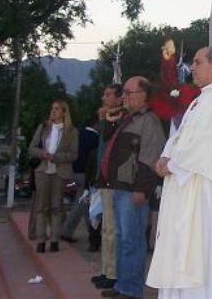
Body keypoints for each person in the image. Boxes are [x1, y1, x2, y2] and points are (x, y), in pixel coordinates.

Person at [146, 46, 212, 299]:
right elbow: (182, 138)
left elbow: (201, 147)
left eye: (197, 62)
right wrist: (165, 156)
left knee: (196, 256)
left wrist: (169, 164)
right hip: (187, 190)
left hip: (200, 194)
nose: (191, 67)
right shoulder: (204, 99)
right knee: (184, 253)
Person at [100, 76, 166, 299]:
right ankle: (122, 285)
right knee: (121, 238)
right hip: (119, 187)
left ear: (143, 95)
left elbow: (150, 158)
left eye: (128, 93)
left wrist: (141, 189)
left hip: (133, 190)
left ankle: (131, 289)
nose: (124, 97)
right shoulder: (127, 119)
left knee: (132, 240)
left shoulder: (150, 121)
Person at [28, 99, 79, 253]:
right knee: (41, 207)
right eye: (52, 109)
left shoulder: (71, 131)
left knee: (57, 206)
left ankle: (55, 240)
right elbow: (31, 148)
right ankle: (41, 240)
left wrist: (56, 157)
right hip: (43, 171)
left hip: (60, 171)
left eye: (57, 109)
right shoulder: (43, 128)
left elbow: (73, 154)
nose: (53, 112)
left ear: (64, 112)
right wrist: (43, 154)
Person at [91, 84, 123, 291]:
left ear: (120, 99)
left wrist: (104, 120)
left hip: (114, 178)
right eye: (104, 94)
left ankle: (113, 273)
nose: (104, 98)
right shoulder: (106, 118)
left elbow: (110, 141)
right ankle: (105, 269)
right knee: (105, 227)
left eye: (108, 95)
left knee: (112, 228)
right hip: (102, 177)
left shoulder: (121, 119)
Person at [60, 123, 99, 245]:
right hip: (85, 174)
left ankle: (92, 233)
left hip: (73, 171)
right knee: (82, 203)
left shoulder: (78, 134)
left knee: (84, 204)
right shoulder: (95, 139)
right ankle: (68, 231)